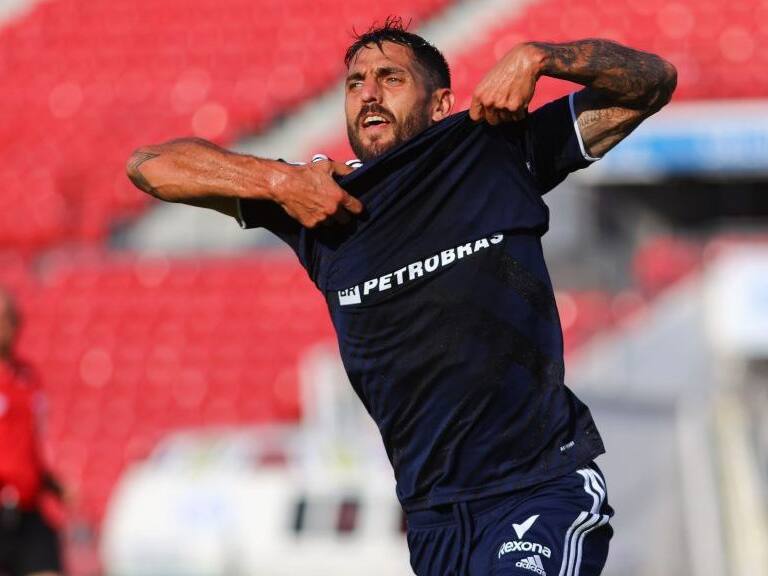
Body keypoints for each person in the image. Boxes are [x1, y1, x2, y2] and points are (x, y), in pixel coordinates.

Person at [127, 18, 676, 576]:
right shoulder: (319, 200)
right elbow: (151, 165)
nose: (367, 92)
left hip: (536, 487)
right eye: (354, 82)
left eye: (390, 78)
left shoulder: (492, 151)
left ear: (440, 104)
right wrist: (278, 182)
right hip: (432, 518)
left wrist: (542, 56)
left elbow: (652, 82)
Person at [0, 288, 63, 576]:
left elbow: (28, 444)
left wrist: (52, 483)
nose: (7, 326)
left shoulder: (27, 376)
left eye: (11, 318)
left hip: (27, 508)